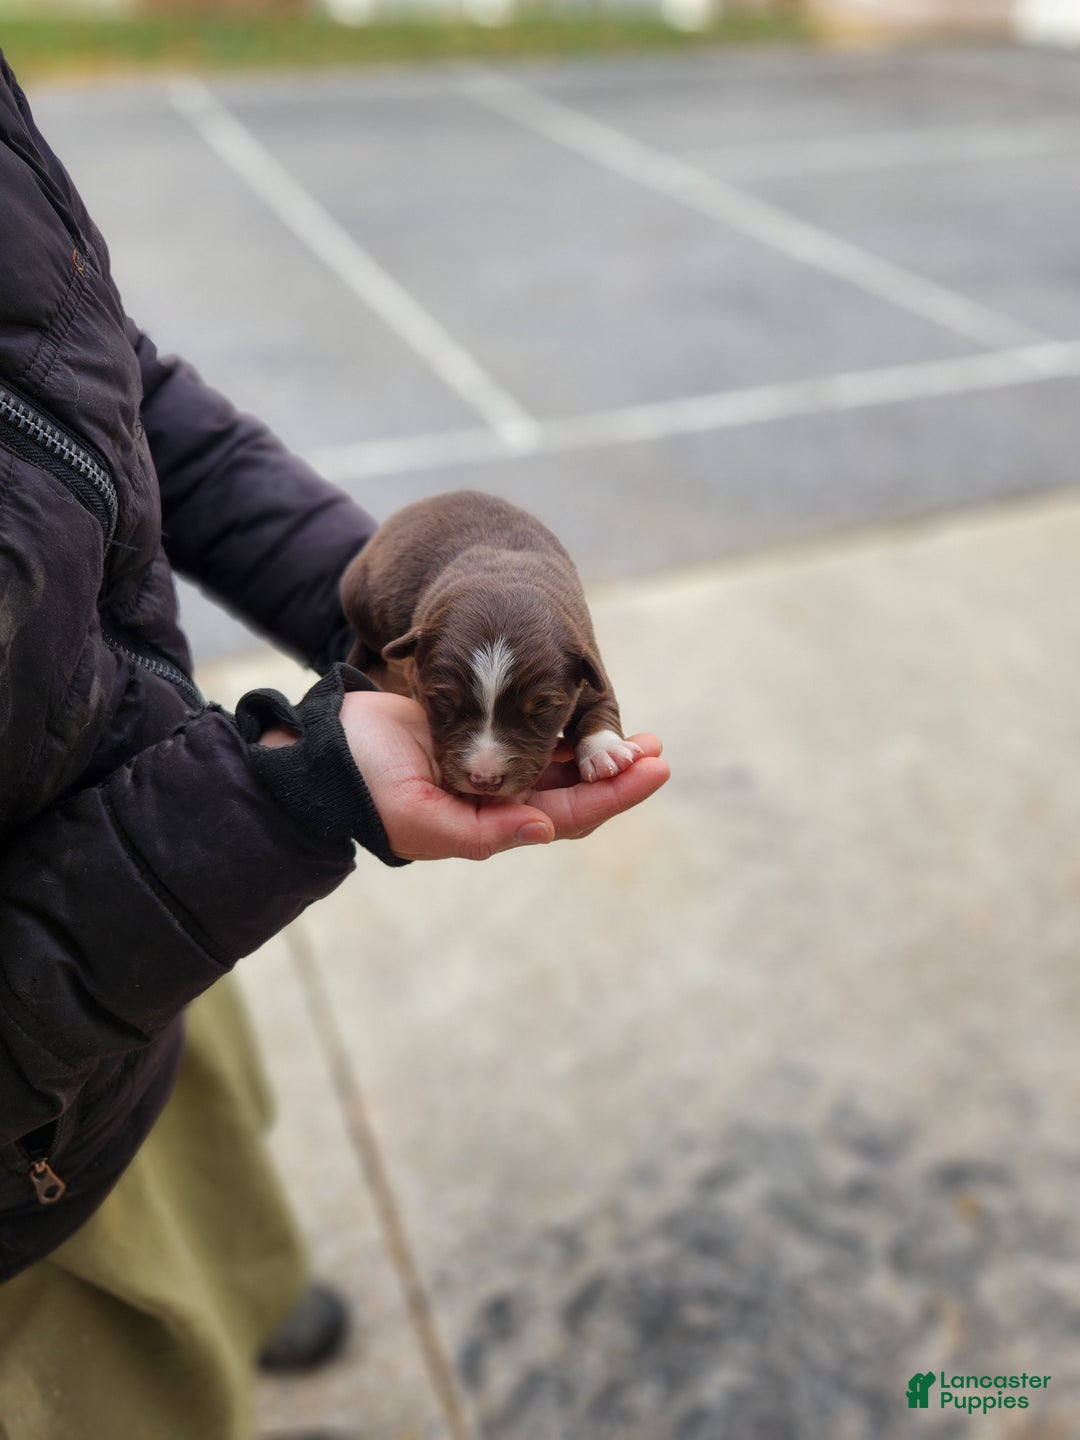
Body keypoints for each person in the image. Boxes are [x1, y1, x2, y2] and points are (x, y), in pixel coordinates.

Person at [0, 48, 668, 1440]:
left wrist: (395, 601)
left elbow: (109, 392)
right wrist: (286, 802)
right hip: (30, 1136)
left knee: (204, 1142)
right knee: (131, 1351)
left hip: (148, 850)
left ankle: (253, 1283)